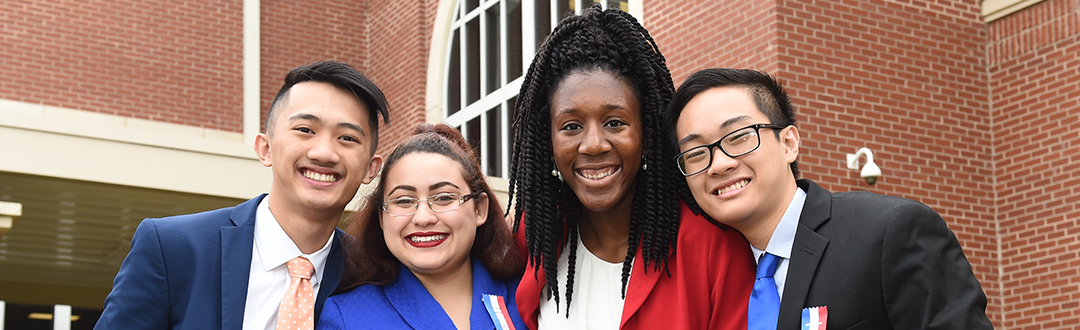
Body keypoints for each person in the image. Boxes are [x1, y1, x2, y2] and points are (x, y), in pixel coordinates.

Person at [666, 68, 993, 329]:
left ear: (789, 143)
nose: (720, 164)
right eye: (696, 154)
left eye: (738, 138)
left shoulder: (889, 232)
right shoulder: (707, 274)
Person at [506, 4, 754, 329]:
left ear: (647, 134)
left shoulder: (711, 247)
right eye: (571, 126)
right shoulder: (534, 237)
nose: (593, 144)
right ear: (548, 143)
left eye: (614, 122)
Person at [94, 60, 390, 330]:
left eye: (347, 138)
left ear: (371, 168)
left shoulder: (374, 273)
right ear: (265, 148)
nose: (324, 153)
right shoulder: (172, 249)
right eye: (305, 129)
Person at [316, 123, 527, 330]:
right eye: (403, 201)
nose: (423, 218)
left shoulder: (530, 298)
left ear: (479, 209)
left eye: (444, 197)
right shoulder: (346, 317)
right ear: (381, 217)